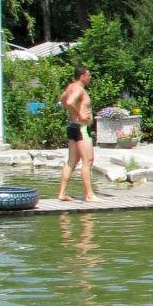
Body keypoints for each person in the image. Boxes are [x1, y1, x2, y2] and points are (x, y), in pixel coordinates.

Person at [57, 66, 97, 203]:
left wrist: (73, 113)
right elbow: (69, 102)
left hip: (72, 126)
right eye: (89, 75)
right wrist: (80, 115)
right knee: (88, 160)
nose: (90, 78)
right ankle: (89, 195)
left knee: (72, 161)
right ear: (82, 76)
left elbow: (62, 100)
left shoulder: (70, 87)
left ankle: (62, 193)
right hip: (81, 128)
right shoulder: (79, 89)